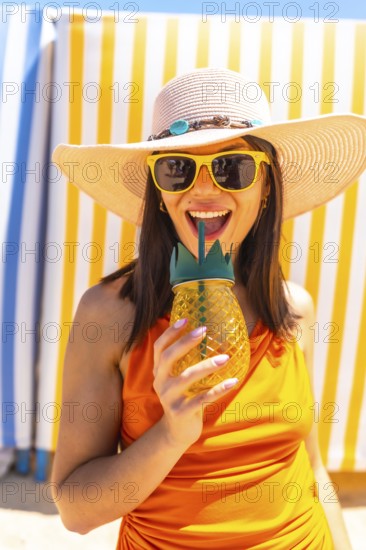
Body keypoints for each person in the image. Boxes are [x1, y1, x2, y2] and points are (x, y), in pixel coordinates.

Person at [51, 68, 366, 549]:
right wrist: (172, 433)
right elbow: (75, 511)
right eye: (176, 168)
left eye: (231, 168)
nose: (203, 191)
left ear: (265, 189)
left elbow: (310, 467)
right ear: (159, 194)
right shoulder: (110, 315)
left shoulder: (292, 308)